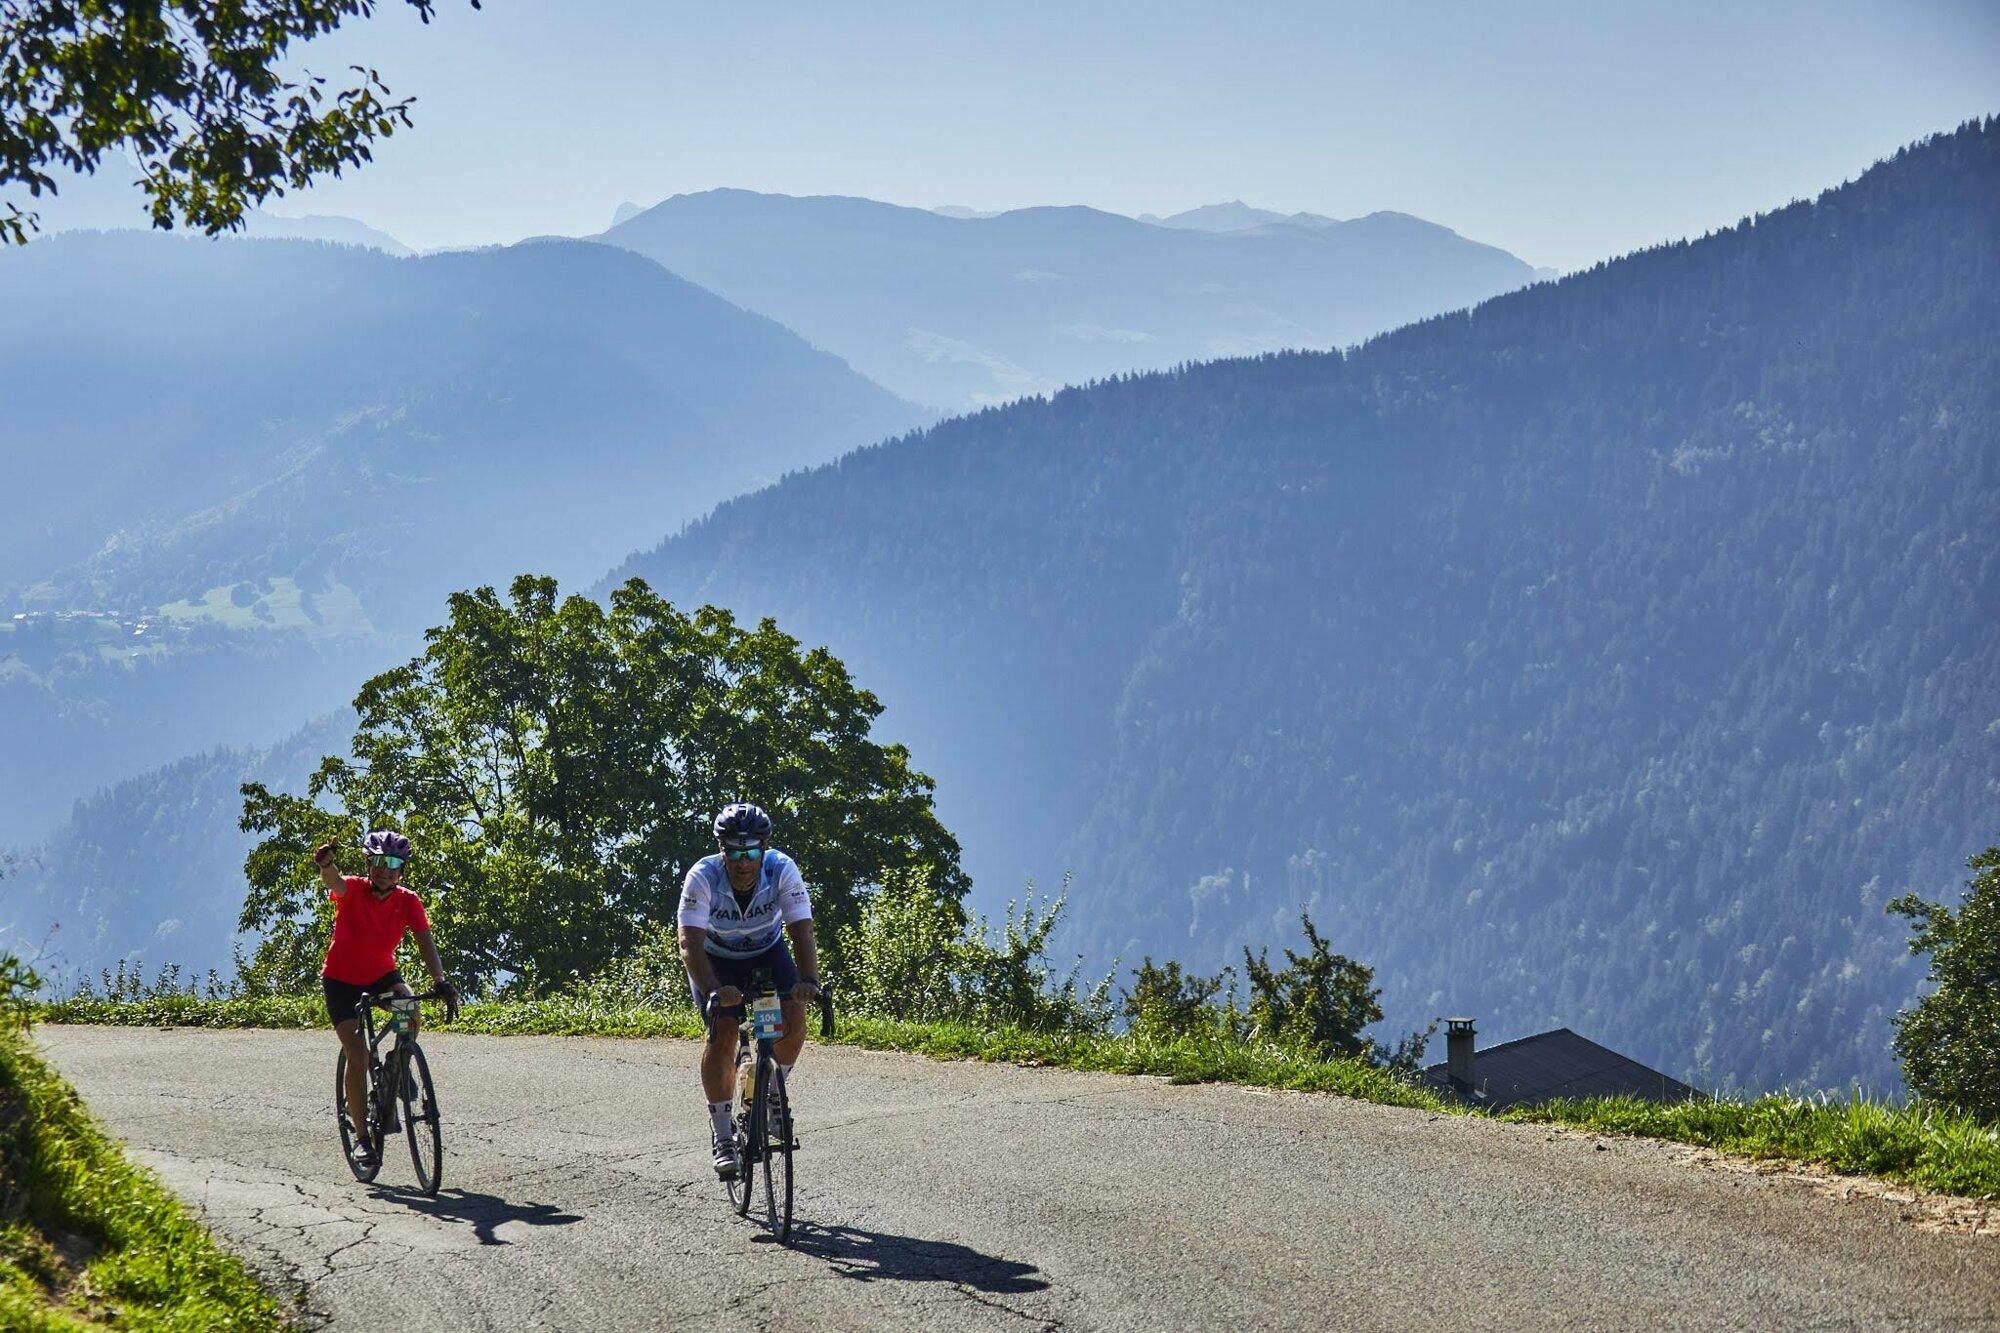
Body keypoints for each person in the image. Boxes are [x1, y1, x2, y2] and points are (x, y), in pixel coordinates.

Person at [678, 802, 821, 1178]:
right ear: (722, 850)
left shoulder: (781, 869)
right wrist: (713, 991)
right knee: (723, 1031)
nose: (744, 861)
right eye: (735, 852)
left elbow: (801, 929)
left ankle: (770, 1090)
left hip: (767, 953)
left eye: (752, 851)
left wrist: (809, 981)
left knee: (793, 1023)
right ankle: (723, 1135)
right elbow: (689, 944)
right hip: (716, 961)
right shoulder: (703, 877)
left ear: (765, 847)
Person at [313, 829, 458, 1169]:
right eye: (379, 862)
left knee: (410, 1008)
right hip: (341, 981)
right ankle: (363, 1140)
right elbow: (334, 883)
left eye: (393, 863)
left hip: (381, 975)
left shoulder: (408, 900)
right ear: (369, 864)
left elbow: (425, 941)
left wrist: (440, 980)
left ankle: (398, 1063)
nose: (385, 869)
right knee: (358, 1053)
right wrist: (326, 863)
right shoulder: (354, 890)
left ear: (402, 869)